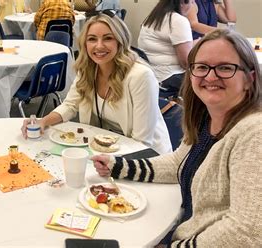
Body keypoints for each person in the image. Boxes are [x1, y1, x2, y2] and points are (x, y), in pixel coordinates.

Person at [91, 29, 261, 246]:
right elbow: (177, 162)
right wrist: (119, 166)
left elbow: (247, 231)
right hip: (185, 229)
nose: (210, 76)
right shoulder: (206, 119)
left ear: (249, 78)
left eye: (225, 68)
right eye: (201, 67)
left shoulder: (254, 134)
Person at [22, 12, 172, 155]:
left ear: (120, 41)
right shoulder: (88, 70)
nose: (99, 46)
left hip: (145, 155)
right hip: (104, 147)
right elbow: (70, 105)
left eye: (108, 38)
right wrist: (43, 122)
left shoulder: (140, 76)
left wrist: (107, 160)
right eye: (92, 39)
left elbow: (142, 141)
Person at [138, 0, 194, 99]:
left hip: (153, 75)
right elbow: (186, 62)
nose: (192, 6)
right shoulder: (178, 20)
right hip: (170, 76)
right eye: (192, 2)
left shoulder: (153, 18)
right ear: (181, 2)